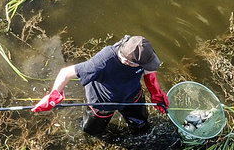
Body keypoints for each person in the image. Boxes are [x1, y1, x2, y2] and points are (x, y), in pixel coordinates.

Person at [32, 35, 170, 135]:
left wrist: (156, 93)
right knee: (92, 131)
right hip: (102, 102)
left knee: (141, 127)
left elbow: (149, 71)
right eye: (140, 65)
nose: (147, 66)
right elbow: (66, 73)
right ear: (128, 62)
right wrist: (53, 96)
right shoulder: (102, 61)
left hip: (132, 97)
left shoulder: (145, 54)